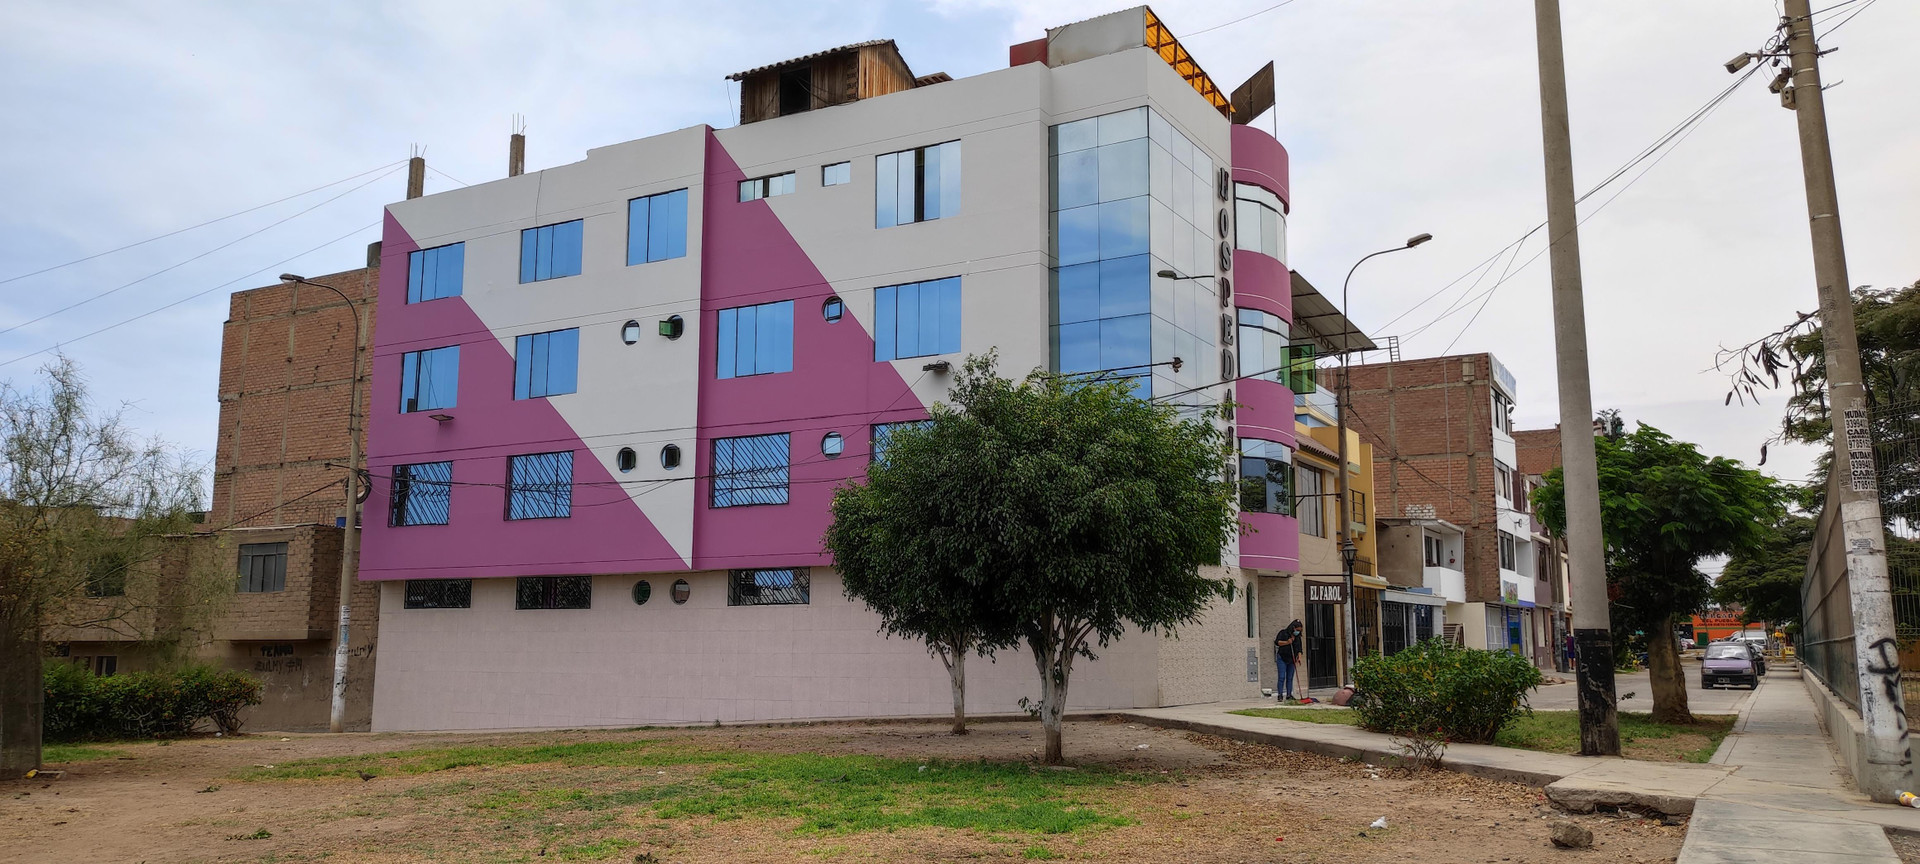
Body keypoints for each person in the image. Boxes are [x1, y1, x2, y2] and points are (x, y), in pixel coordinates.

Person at [1274, 620, 1302, 701]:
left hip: (1292, 659)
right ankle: (1280, 695)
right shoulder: (1283, 633)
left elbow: (1299, 649)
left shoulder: (1297, 637)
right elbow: (1277, 642)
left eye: (1300, 630)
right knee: (1282, 677)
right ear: (1293, 628)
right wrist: (1287, 642)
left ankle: (1289, 695)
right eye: (1297, 630)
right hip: (1282, 657)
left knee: (1290, 677)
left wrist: (1299, 657)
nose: (1298, 632)